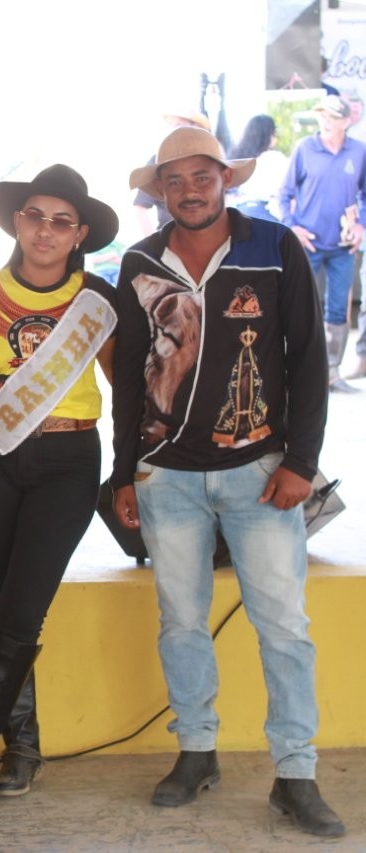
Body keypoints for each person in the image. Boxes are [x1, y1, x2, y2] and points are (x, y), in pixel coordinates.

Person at [112, 127, 344, 839]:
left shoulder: (273, 248)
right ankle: (196, 752)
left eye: (202, 176)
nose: (189, 190)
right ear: (160, 190)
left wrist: (301, 462)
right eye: (174, 179)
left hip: (259, 472)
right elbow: (129, 377)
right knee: (181, 622)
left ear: (225, 180)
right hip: (167, 475)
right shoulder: (139, 262)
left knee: (284, 627)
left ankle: (296, 773)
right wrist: (125, 471)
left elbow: (307, 359)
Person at [0, 164, 119, 816]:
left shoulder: (97, 301)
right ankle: (24, 747)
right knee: (3, 602)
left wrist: (133, 468)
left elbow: (127, 386)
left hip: (69, 462)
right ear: (17, 221)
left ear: (80, 234)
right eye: (35, 216)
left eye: (62, 221)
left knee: (23, 608)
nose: (46, 230)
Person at [277, 94, 366, 393]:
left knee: (338, 310)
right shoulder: (305, 148)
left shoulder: (359, 151)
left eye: (332, 117)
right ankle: (301, 373)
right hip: (309, 244)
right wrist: (294, 228)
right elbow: (284, 195)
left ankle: (332, 374)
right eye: (322, 116)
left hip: (342, 246)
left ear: (346, 121)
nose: (326, 122)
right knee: (301, 307)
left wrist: (361, 225)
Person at [132, 111, 212, 236]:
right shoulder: (158, 161)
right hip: (170, 239)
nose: (176, 129)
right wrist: (153, 244)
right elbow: (141, 207)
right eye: (174, 125)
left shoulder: (213, 161)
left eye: (180, 124)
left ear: (197, 127)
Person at [226, 115, 287, 223]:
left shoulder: (236, 159)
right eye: (274, 133)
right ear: (268, 135)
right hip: (265, 216)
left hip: (236, 215)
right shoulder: (275, 158)